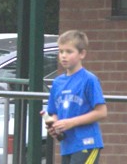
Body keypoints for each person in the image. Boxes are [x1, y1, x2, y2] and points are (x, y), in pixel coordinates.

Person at [45, 30, 107, 164]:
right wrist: (54, 126)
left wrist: (71, 122)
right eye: (61, 51)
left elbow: (101, 112)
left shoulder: (89, 80)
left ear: (82, 54)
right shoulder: (57, 82)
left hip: (87, 143)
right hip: (67, 145)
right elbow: (54, 113)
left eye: (69, 51)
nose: (63, 56)